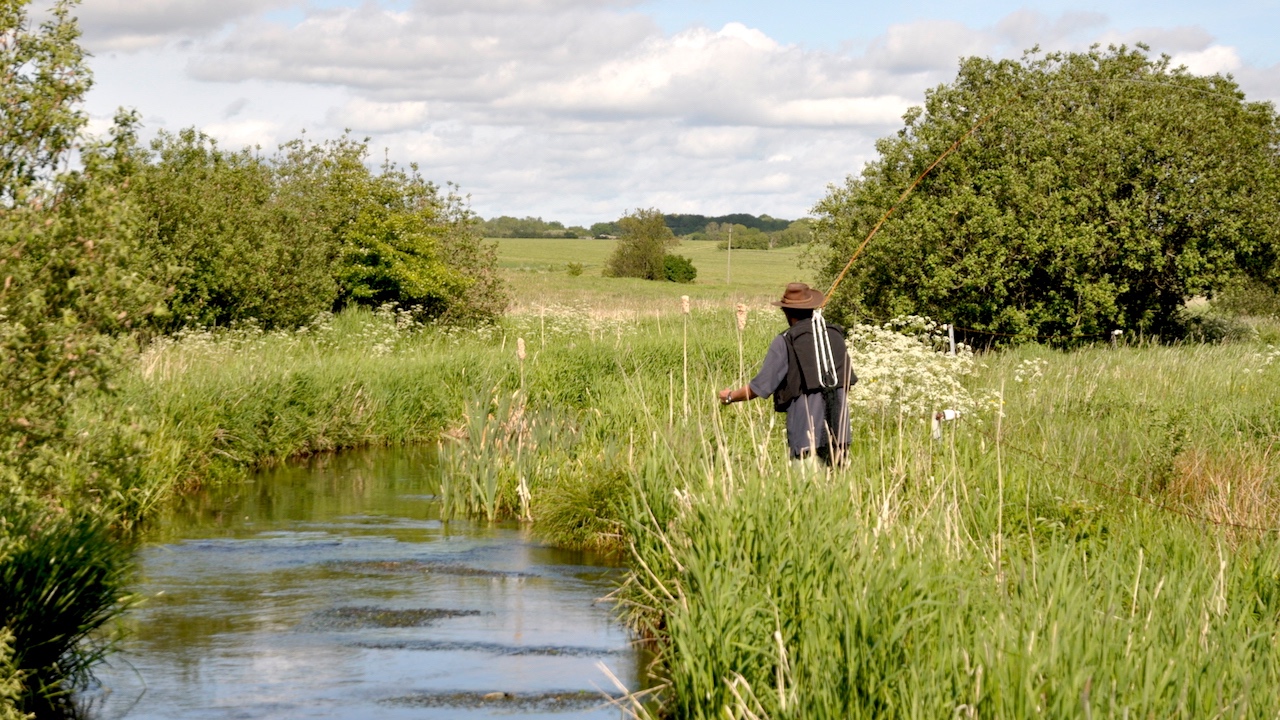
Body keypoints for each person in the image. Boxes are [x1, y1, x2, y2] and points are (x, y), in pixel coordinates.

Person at [718, 282, 855, 464]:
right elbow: (845, 385)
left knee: (807, 490)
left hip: (806, 437)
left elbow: (759, 388)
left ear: (786, 312)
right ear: (811, 308)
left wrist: (729, 397)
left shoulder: (785, 341)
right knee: (837, 489)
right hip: (841, 434)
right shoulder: (835, 335)